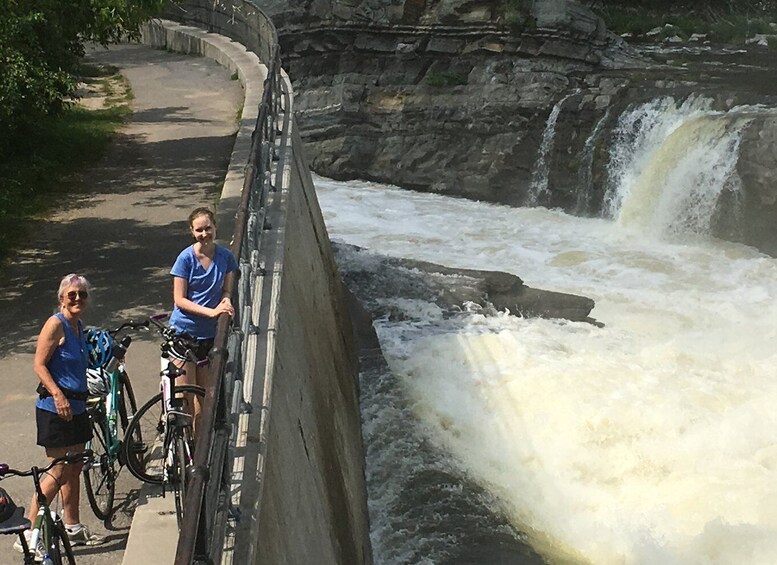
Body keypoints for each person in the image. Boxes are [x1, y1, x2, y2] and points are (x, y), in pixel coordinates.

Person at [14, 274, 105, 556]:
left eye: (82, 294)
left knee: (75, 467)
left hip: (77, 406)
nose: (77, 298)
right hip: (55, 407)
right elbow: (39, 364)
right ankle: (29, 533)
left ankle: (72, 524)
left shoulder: (79, 327)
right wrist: (57, 394)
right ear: (61, 298)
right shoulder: (56, 324)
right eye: (72, 295)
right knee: (58, 470)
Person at [168, 207, 237, 430]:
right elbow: (179, 299)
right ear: (192, 232)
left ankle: (198, 456)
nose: (204, 234)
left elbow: (227, 290)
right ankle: (180, 450)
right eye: (199, 230)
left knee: (204, 399)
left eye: (208, 228)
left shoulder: (226, 257)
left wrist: (225, 302)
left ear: (215, 227)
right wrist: (211, 312)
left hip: (209, 336)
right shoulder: (185, 259)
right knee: (185, 398)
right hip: (184, 333)